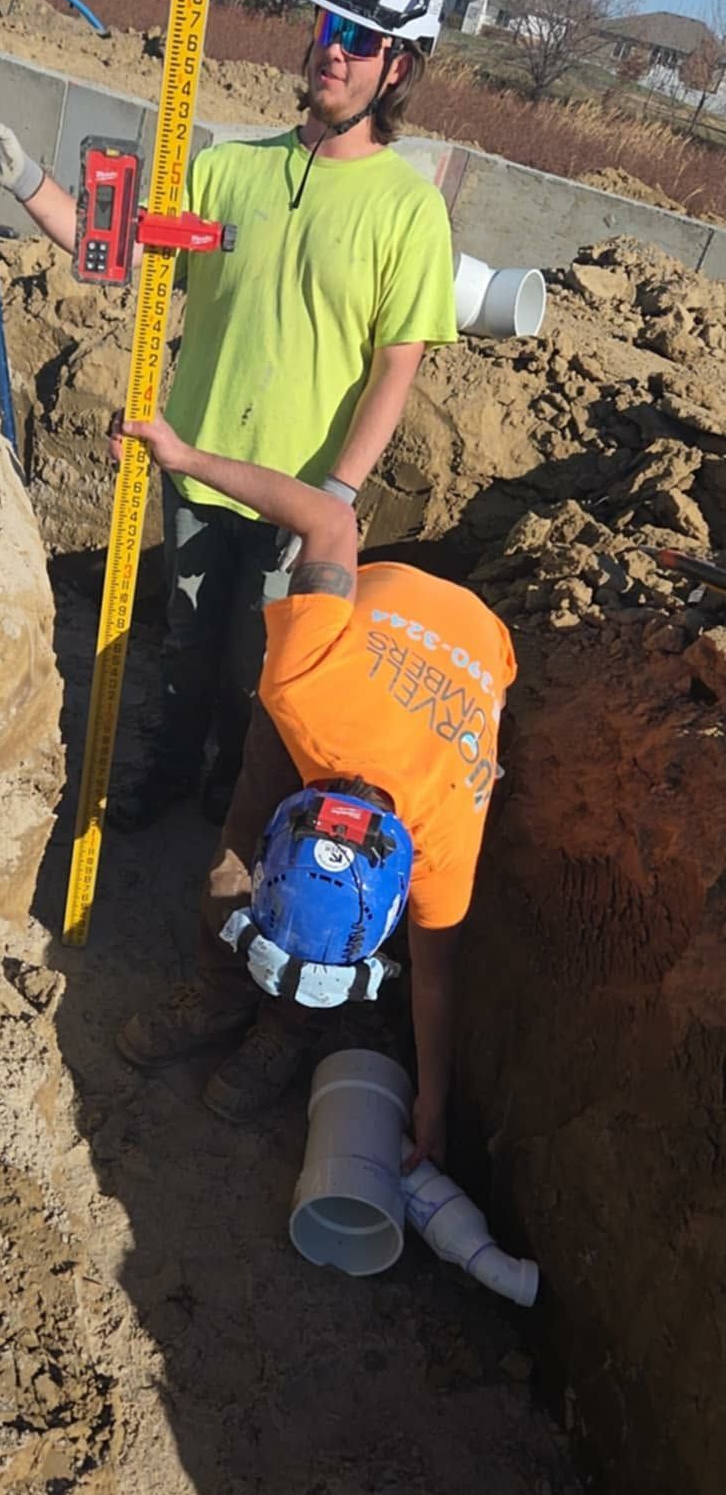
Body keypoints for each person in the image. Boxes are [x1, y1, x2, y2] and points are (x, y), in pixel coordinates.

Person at [0, 0, 457, 831]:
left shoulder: (409, 211)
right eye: (326, 25)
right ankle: (171, 770)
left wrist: (334, 499)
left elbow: (394, 369)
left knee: (263, 665)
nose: (332, 50)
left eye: (359, 38)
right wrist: (24, 180)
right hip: (193, 462)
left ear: (398, 68)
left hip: (295, 494)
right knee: (185, 639)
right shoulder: (228, 166)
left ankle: (232, 795)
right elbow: (122, 250)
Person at [111, 412, 517, 1171]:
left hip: (479, 639)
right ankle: (221, 991)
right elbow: (330, 520)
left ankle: (289, 1027)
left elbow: (434, 974)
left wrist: (433, 1098)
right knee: (235, 852)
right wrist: (182, 455)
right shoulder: (300, 684)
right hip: (357, 645)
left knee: (333, 920)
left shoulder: (445, 843)